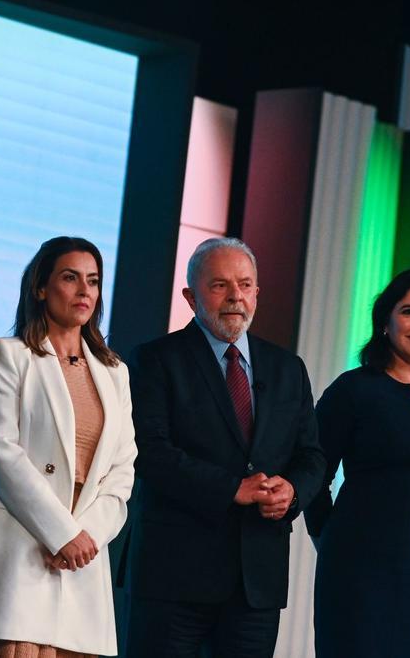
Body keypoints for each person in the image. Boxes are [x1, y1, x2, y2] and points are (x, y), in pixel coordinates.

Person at [125, 237, 325, 657]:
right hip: (174, 576)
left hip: (257, 581)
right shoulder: (155, 360)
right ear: (190, 297)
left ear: (257, 293)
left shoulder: (288, 368)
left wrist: (291, 492)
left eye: (245, 284)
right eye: (219, 285)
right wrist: (233, 488)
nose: (235, 295)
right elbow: (151, 453)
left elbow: (312, 455)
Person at [0, 236, 138, 657]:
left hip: (82, 561)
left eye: (93, 281)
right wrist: (61, 534)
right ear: (40, 288)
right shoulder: (9, 354)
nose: (85, 290)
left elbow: (123, 470)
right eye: (71, 278)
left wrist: (85, 538)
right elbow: (1, 452)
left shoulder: (114, 372)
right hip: (17, 550)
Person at [303, 267, 410, 657]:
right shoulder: (352, 390)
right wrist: (328, 538)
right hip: (354, 566)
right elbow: (313, 474)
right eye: (409, 311)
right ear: (386, 321)